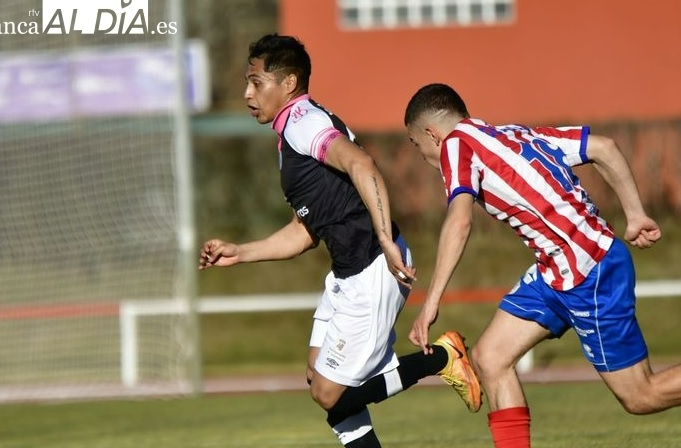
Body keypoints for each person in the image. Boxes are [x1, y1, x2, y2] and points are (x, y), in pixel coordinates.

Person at [403, 83, 681, 448]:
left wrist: (431, 303)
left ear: (431, 133)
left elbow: (460, 222)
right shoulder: (514, 134)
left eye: (416, 145)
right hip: (556, 270)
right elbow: (605, 148)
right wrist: (634, 214)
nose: (422, 155)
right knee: (490, 358)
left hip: (590, 272)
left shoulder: (455, 146)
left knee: (641, 396)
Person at [198, 36, 481, 448]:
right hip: (348, 272)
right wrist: (240, 252)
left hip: (372, 268)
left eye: (256, 83)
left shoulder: (303, 123)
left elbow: (361, 163)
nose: (247, 93)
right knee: (319, 377)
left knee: (332, 395)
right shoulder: (294, 131)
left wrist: (384, 238)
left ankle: (442, 357)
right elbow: (304, 232)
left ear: (289, 83)